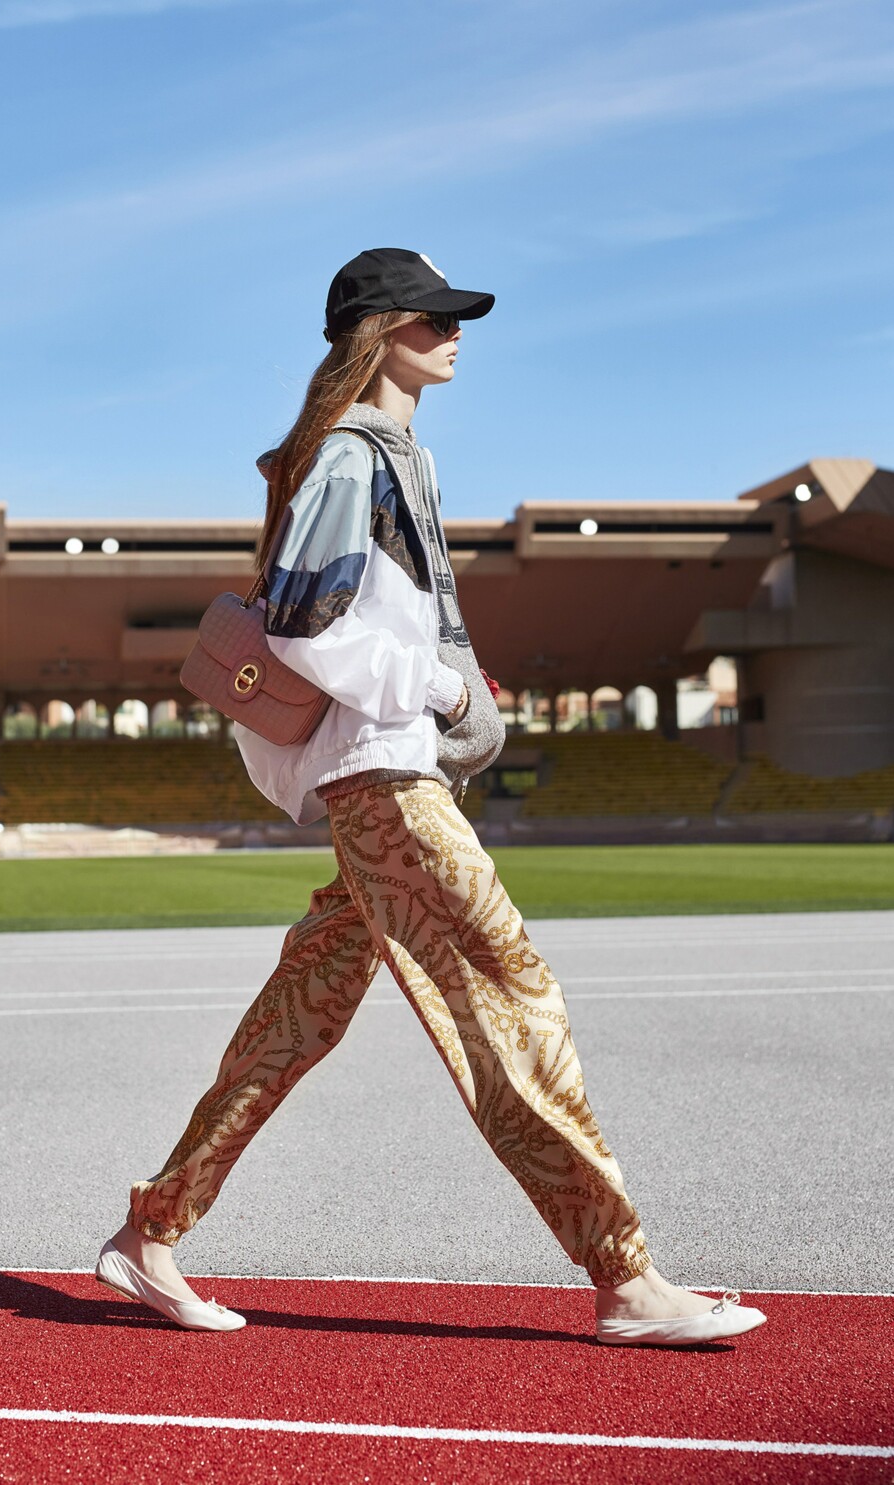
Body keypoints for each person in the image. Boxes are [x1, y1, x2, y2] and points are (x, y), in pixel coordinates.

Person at [96, 248, 766, 1347]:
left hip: (383, 777)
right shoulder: (352, 456)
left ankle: (150, 1231)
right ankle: (627, 1279)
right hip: (383, 784)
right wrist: (442, 687)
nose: (455, 334)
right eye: (433, 318)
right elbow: (303, 623)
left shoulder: (393, 456)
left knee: (296, 1021)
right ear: (378, 333)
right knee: (511, 998)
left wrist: (445, 682)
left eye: (455, 318)